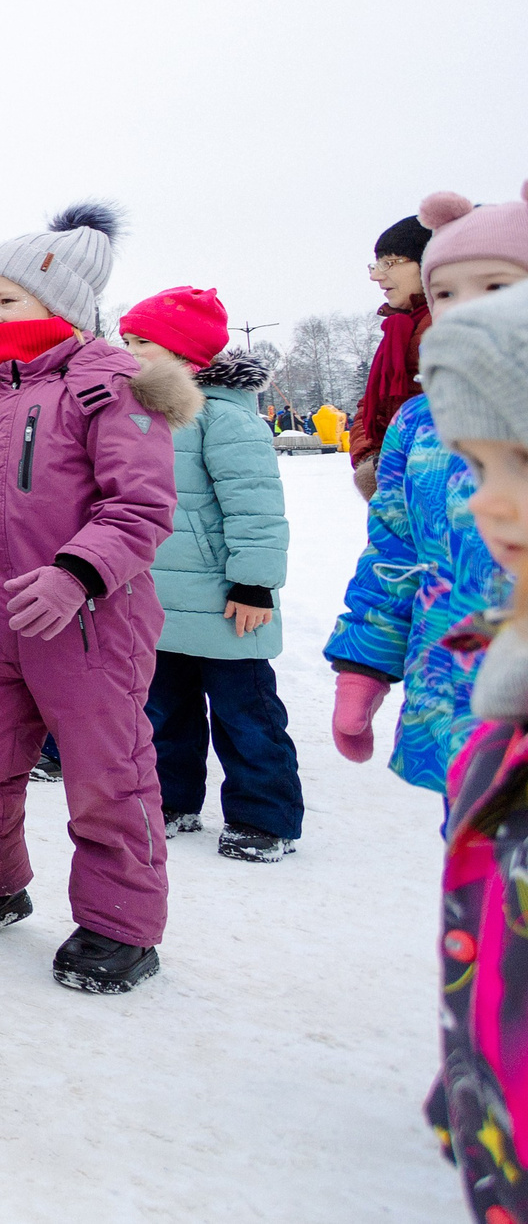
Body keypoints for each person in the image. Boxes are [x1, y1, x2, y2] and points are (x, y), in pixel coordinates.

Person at [0, 202, 183, 999]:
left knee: (107, 772)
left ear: (61, 305)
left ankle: (120, 923)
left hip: (88, 621)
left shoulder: (110, 382)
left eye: (8, 302)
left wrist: (76, 574)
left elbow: (140, 505)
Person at [328, 181, 528, 796]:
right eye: (445, 293)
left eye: (495, 287)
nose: (463, 308)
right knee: (479, 880)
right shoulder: (418, 424)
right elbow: (394, 552)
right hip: (454, 702)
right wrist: (362, 669)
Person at [413, 282, 528, 1223]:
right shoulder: (506, 693)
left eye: (522, 462)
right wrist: (474, 1066)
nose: (488, 505)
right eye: (479, 466)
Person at [117, 286, 298, 862]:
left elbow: (256, 507)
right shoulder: (135, 413)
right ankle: (173, 798)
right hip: (160, 597)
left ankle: (263, 816)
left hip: (226, 599)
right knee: (163, 708)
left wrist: (253, 583)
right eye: (125, 341)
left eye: (142, 342)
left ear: (187, 354)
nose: (130, 352)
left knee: (246, 714)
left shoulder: (224, 418)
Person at [352, 214, 433, 499]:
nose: (376, 275)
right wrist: (371, 461)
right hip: (404, 489)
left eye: (390, 262)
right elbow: (371, 407)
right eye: (376, 265)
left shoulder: (445, 325)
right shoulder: (400, 330)